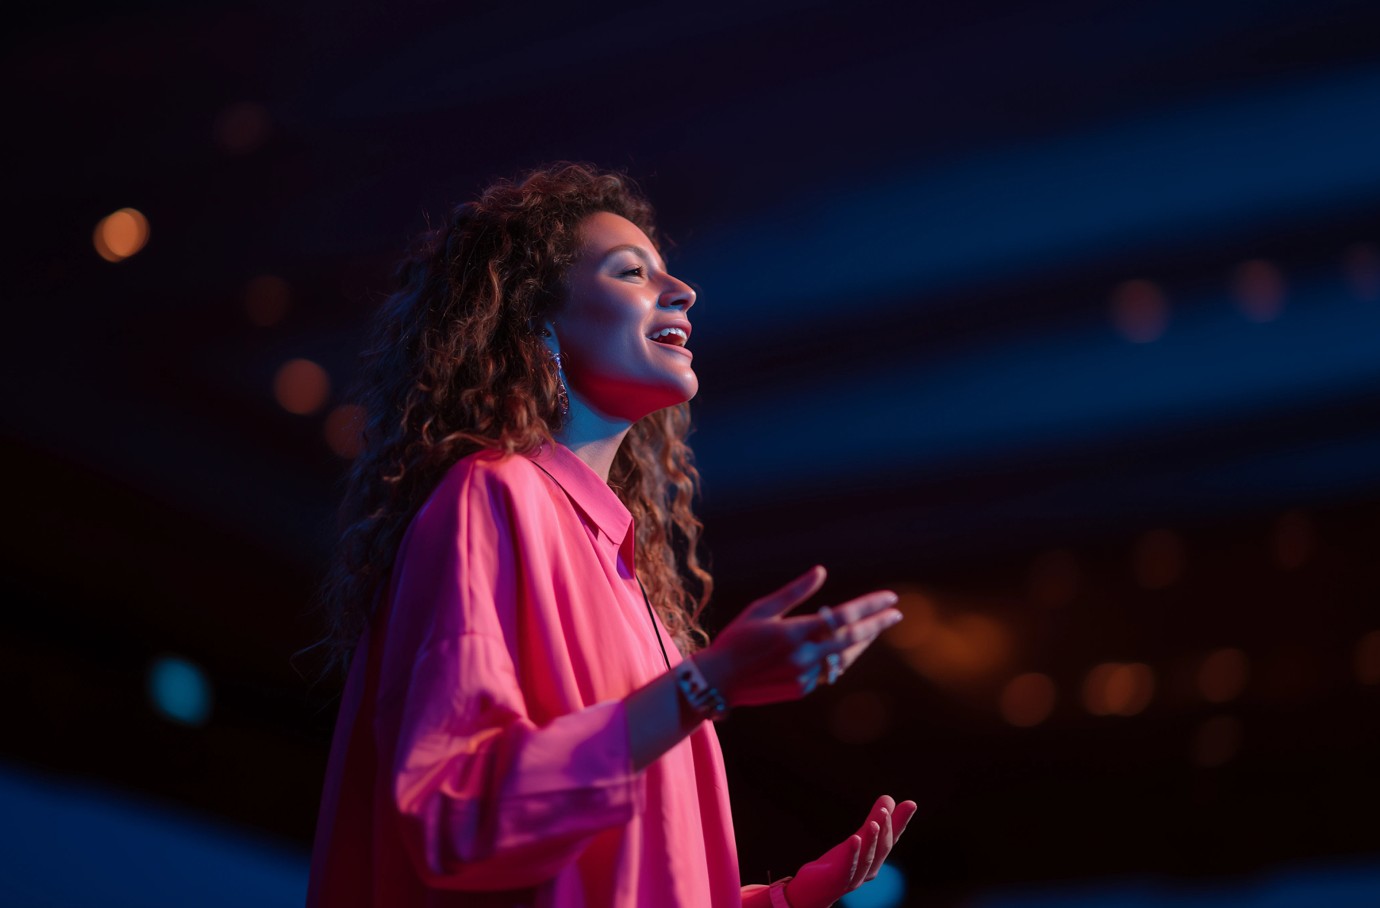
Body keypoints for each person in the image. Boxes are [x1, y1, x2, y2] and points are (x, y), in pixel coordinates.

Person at [307, 162, 916, 908]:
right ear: (539, 321)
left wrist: (783, 899)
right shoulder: (492, 495)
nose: (682, 291)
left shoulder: (635, 588)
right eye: (631, 272)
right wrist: (706, 684)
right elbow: (455, 810)